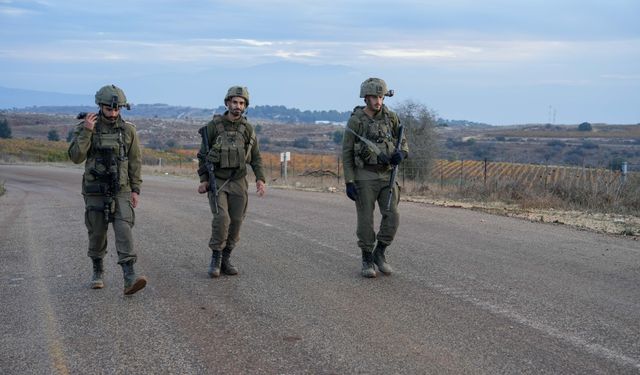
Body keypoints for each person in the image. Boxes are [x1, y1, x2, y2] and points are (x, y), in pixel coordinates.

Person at [68, 84, 147, 295]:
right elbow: (76, 157)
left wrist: (135, 189)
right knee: (97, 233)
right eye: (109, 109)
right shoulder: (86, 127)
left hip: (121, 188)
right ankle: (97, 270)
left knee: (124, 229)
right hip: (95, 190)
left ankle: (130, 277)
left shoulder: (128, 130)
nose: (113, 114)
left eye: (117, 109)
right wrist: (87, 131)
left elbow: (135, 162)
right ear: (100, 106)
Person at [341, 78, 409, 278]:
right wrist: (349, 181)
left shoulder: (392, 118)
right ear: (366, 97)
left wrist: (402, 154)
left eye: (381, 97)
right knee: (365, 220)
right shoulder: (356, 120)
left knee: (393, 216)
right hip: (364, 175)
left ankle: (380, 252)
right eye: (374, 97)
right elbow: (346, 153)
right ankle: (367, 258)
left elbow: (403, 142)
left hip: (387, 174)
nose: (378, 101)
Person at [197, 86, 266, 278]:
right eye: (234, 102)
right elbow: (202, 155)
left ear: (245, 106)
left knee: (236, 222)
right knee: (222, 219)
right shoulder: (213, 127)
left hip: (238, 181)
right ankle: (216, 258)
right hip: (217, 180)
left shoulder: (248, 129)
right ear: (227, 103)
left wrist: (260, 179)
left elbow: (256, 157)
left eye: (241, 103)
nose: (238, 106)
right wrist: (203, 180)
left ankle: (226, 258)